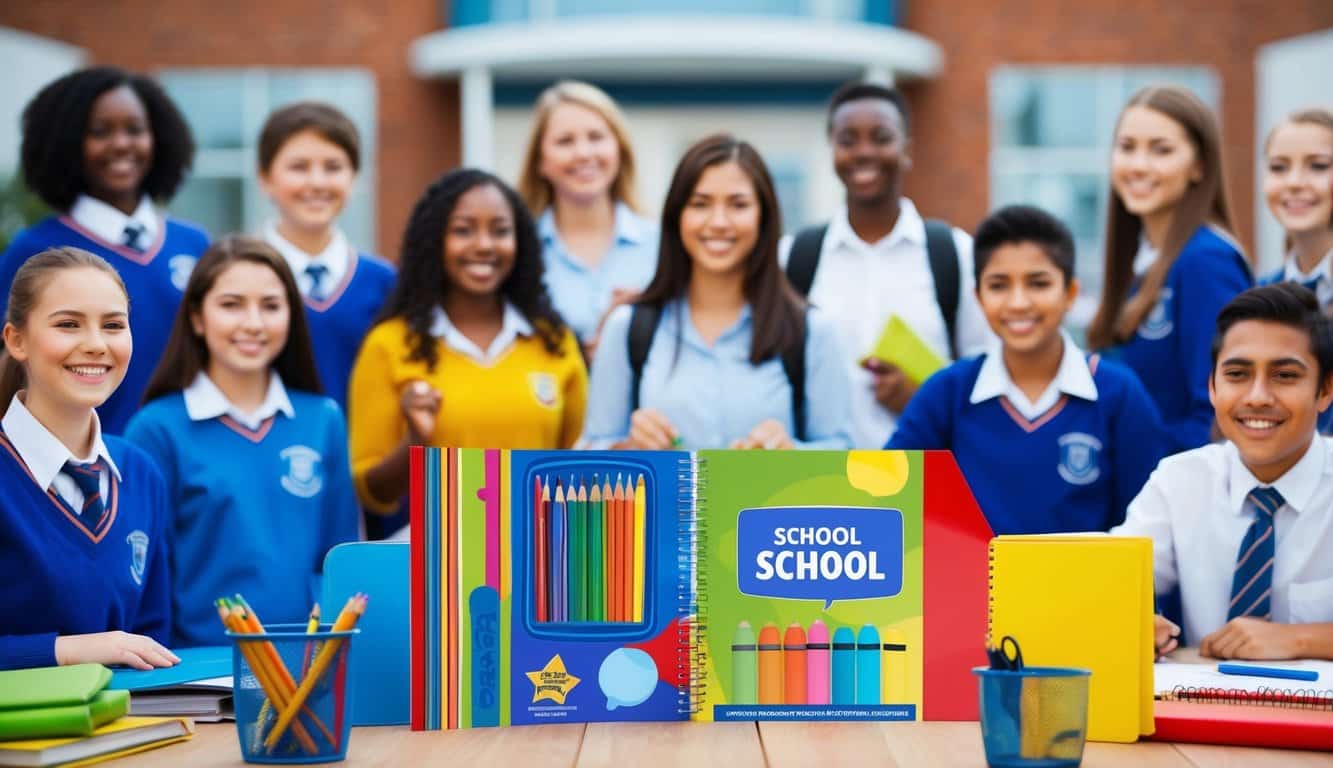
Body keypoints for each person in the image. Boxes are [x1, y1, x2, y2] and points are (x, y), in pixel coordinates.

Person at [126, 236, 358, 645]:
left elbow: (338, 560)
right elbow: (145, 579)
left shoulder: (323, 420)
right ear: (197, 317)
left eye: (270, 305)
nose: (253, 322)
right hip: (199, 677)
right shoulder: (156, 429)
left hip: (308, 668)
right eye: (231, 305)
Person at [889, 205, 1167, 534]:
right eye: (999, 285)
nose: (1018, 302)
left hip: (1082, 586)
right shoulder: (947, 392)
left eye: (1038, 284)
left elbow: (1145, 531)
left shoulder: (1118, 395)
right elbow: (892, 498)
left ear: (1070, 293)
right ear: (978, 297)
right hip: (971, 585)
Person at [582, 134, 853, 450]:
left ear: (763, 217)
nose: (719, 222)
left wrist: (792, 453)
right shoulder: (629, 329)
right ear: (677, 216)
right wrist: (629, 448)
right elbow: (591, 450)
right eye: (700, 204)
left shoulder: (810, 331)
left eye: (738, 205)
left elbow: (841, 451)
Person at [349, 170, 587, 526]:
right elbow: (372, 492)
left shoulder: (554, 343)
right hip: (436, 562)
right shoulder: (390, 344)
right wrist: (416, 440)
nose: (484, 245)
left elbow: (583, 467)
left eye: (500, 230)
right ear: (434, 241)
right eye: (463, 230)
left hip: (541, 556)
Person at [1114, 283, 1333, 660]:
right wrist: (1128, 621)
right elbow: (1107, 581)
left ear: (1325, 390)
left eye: (1284, 376)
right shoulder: (1180, 480)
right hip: (1206, 708)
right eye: (1237, 374)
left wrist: (1300, 639)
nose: (1258, 396)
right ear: (1213, 388)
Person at [780, 81, 991, 448]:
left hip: (926, 477)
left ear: (906, 150)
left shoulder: (953, 255)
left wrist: (924, 400)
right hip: (821, 480)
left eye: (881, 138)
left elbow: (989, 378)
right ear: (832, 151)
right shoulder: (795, 259)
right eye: (848, 140)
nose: (864, 152)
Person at [0, 67, 208, 434]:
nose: (122, 144)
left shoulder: (193, 244)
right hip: (79, 467)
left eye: (135, 129)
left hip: (192, 467)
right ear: (65, 142)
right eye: (99, 131)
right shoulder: (33, 250)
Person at [0, 247, 177, 670]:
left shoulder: (141, 473)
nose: (96, 345)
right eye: (68, 324)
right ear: (16, 340)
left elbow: (153, 640)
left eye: (113, 325)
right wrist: (68, 651)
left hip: (127, 732)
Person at [1088, 85, 1252, 454]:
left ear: (1198, 166)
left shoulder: (1206, 262)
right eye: (1127, 147)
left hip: (1180, 497)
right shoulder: (1142, 262)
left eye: (1161, 150)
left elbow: (1216, 414)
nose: (1139, 165)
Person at [257, 102, 396, 413]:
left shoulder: (385, 282)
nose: (317, 182)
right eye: (299, 167)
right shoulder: (236, 278)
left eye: (333, 167)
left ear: (355, 177)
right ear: (264, 178)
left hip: (364, 458)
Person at [517, 81, 658, 356]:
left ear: (619, 149)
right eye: (565, 141)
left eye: (596, 137)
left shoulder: (663, 245)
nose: (583, 153)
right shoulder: (519, 253)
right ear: (540, 161)